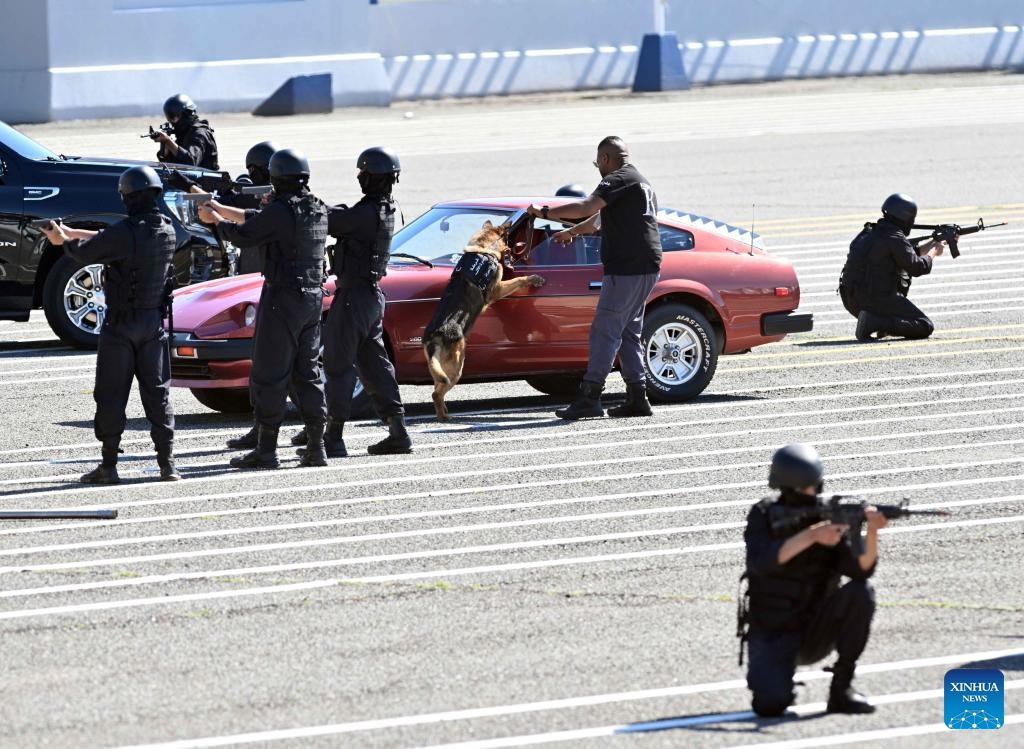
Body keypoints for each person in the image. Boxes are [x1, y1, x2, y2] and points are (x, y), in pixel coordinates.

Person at [41, 166, 179, 483]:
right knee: (158, 396)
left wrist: (62, 240)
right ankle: (167, 464)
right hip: (152, 324)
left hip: (121, 326)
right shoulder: (167, 229)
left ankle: (109, 466)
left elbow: (85, 253)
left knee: (111, 395)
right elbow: (113, 239)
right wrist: (72, 232)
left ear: (126, 196)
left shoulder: (124, 233)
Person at [198, 148, 328, 469]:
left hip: (282, 298)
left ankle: (266, 449)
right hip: (312, 299)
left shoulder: (280, 211)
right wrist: (222, 209)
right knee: (308, 373)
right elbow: (259, 220)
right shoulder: (317, 208)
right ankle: (316, 446)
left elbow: (245, 236)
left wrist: (215, 221)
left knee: (270, 372)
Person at [741, 443, 886, 717]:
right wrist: (812, 537)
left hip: (816, 629)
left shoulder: (827, 514)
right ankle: (780, 677)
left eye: (813, 485)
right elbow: (762, 561)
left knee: (860, 592)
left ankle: (841, 690)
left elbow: (860, 571)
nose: (811, 492)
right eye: (803, 487)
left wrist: (872, 532)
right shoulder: (763, 515)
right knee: (770, 706)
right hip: (773, 631)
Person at [527, 136, 662, 420]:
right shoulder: (638, 180)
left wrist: (545, 212)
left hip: (626, 268)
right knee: (627, 332)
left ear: (605, 159)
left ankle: (590, 397)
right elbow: (599, 218)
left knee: (604, 331)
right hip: (646, 266)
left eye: (597, 163)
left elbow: (587, 207)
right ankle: (638, 397)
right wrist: (573, 232)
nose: (598, 169)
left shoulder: (616, 179)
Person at [319, 146, 411, 457]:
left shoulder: (366, 214)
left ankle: (333, 436)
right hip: (371, 298)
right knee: (375, 367)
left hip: (354, 298)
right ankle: (397, 430)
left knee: (338, 365)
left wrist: (304, 201)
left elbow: (330, 222)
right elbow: (343, 218)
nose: (360, 177)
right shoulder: (384, 210)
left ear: (373, 176)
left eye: (363, 172)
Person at [838, 193, 946, 342]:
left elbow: (905, 255)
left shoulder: (871, 232)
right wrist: (934, 252)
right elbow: (917, 267)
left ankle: (879, 323)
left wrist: (934, 242)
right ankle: (875, 322)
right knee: (924, 326)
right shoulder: (894, 236)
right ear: (906, 218)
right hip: (873, 299)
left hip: (851, 299)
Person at [152, 94, 219, 171]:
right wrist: (166, 146)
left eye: (174, 117)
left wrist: (168, 141)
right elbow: (170, 165)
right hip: (189, 180)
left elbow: (191, 163)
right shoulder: (184, 134)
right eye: (170, 117)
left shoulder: (199, 134)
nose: (172, 121)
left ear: (186, 114)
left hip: (207, 181)